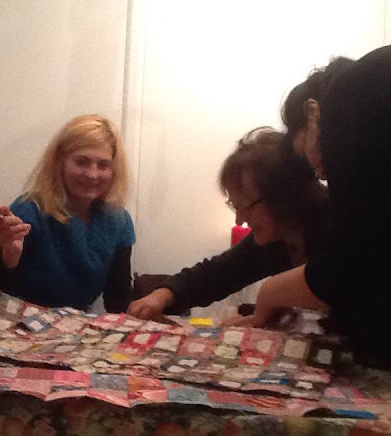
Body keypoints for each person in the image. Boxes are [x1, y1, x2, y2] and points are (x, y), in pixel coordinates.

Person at [252, 42, 391, 371]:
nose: (322, 173)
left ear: (314, 114)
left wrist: (269, 292)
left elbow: (348, 270)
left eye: (307, 158)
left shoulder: (348, 95)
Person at [127, 127, 328, 321]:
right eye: (235, 206)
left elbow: (330, 280)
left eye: (245, 205)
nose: (239, 219)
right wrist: (162, 294)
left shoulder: (334, 226)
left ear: (282, 196)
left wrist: (270, 297)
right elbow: (218, 273)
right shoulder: (278, 238)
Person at [0, 114, 135, 313]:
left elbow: (118, 300)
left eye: (103, 165)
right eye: (82, 162)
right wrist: (9, 257)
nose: (93, 174)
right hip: (18, 327)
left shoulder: (120, 221)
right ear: (60, 162)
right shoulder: (29, 210)